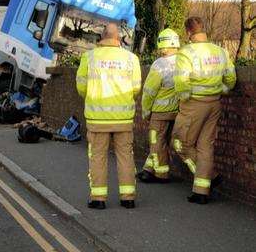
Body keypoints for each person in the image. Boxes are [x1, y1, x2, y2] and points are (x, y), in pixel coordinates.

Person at [76, 22, 141, 210]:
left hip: (98, 119)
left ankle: (98, 199)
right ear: (118, 38)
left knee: (97, 157)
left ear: (101, 38)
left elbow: (81, 86)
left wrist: (93, 97)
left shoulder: (89, 57)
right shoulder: (131, 58)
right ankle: (128, 198)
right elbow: (136, 87)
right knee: (126, 157)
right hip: (123, 118)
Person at [172, 17, 236, 204]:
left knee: (180, 143)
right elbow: (230, 79)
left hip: (194, 104)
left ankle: (210, 177)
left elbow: (181, 83)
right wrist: (222, 90)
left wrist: (184, 99)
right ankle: (201, 191)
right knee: (205, 146)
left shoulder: (185, 53)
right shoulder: (221, 51)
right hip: (214, 103)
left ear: (188, 32)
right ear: (204, 30)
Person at [137, 29, 180, 183]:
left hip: (160, 112)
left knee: (156, 141)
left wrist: (146, 111)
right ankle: (148, 170)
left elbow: (149, 91)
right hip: (176, 112)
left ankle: (161, 174)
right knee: (161, 142)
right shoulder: (183, 61)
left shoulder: (159, 64)